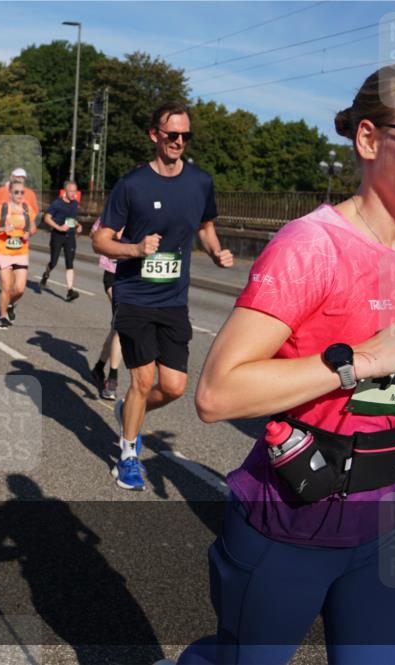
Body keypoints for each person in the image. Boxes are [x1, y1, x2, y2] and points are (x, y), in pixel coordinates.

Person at [173, 64, 395, 665]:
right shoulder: (312, 246)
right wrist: (370, 357)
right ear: (370, 139)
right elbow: (217, 394)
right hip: (294, 523)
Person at [92, 101, 233, 491]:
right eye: (173, 135)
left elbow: (205, 226)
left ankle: (128, 412)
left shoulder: (200, 182)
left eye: (186, 136)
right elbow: (100, 239)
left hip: (174, 300)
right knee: (142, 380)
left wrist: (216, 250)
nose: (180, 142)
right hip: (134, 295)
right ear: (155, 135)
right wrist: (136, 250)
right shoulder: (132, 184)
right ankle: (128, 456)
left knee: (173, 387)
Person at [0, 179, 37, 329]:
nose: (20, 195)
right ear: (10, 194)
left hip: (21, 251)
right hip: (4, 251)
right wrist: (3, 229)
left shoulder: (27, 209)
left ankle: (9, 304)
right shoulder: (2, 209)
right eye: (16, 192)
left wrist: (29, 233)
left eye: (22, 192)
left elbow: (33, 227)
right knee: (7, 287)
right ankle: (2, 317)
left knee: (20, 289)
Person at [0, 168, 40, 292]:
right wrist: (0, 216)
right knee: (6, 264)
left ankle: (4, 284)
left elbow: (35, 212)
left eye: (22, 177)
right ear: (12, 177)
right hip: (3, 233)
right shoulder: (2, 191)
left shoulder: (30, 193)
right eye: (17, 177)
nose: (20, 179)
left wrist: (28, 228)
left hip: (21, 234)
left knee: (16, 267)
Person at [90, 217, 122, 400]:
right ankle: (112, 378)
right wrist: (112, 236)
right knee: (121, 324)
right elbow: (93, 234)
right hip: (113, 274)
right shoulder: (113, 214)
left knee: (116, 327)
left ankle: (98, 368)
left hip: (134, 277)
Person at [40, 180, 82, 302]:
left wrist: (78, 225)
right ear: (65, 191)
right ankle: (46, 274)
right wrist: (58, 227)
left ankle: (70, 291)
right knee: (53, 262)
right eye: (71, 191)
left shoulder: (74, 204)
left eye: (75, 191)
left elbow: (71, 219)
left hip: (70, 237)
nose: (74, 194)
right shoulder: (57, 203)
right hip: (57, 236)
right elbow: (46, 218)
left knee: (70, 263)